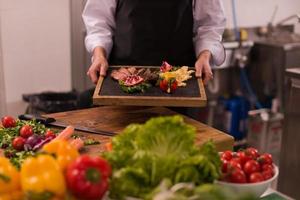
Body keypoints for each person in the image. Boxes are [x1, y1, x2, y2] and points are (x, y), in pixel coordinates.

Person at [82, 0, 226, 85]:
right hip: (123, 77)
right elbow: (98, 22)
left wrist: (204, 56)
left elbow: (209, 25)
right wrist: (99, 55)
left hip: (179, 81)